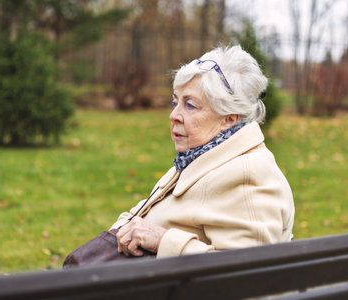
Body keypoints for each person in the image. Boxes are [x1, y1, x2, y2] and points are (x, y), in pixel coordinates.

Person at [112, 45, 294, 258]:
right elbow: (143, 215)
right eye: (175, 102)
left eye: (190, 105)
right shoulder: (201, 157)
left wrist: (162, 241)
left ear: (228, 119)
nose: (174, 115)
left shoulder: (247, 176)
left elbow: (247, 273)